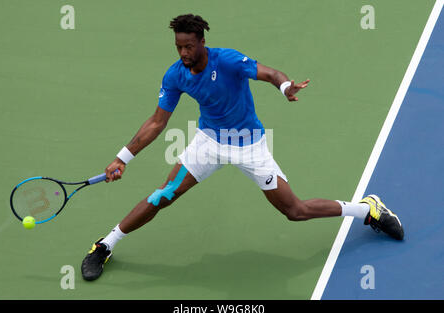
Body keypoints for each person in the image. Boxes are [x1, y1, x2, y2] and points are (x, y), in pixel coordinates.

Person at [81, 14, 404, 281]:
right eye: (179, 47)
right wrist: (122, 159)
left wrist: (286, 86)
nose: (183, 53)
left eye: (189, 46)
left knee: (295, 211)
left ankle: (367, 209)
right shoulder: (176, 75)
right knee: (163, 195)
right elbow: (156, 122)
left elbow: (270, 73)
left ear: (202, 42)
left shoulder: (229, 60)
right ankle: (106, 245)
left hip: (250, 148)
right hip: (207, 144)